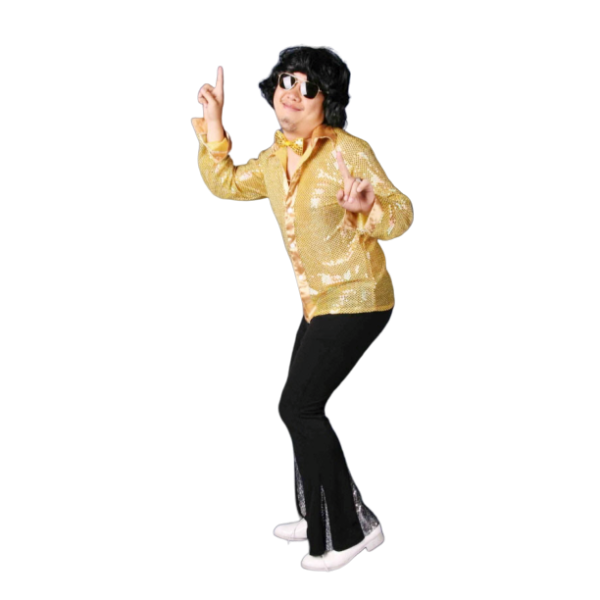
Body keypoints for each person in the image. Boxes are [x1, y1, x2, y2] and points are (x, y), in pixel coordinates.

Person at [191, 45, 414, 573]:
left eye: (308, 86)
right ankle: (322, 515)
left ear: (325, 101)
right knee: (300, 410)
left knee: (297, 408)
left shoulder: (347, 151)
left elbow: (401, 212)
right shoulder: (273, 160)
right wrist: (215, 127)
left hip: (360, 297)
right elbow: (226, 184)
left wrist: (369, 208)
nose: (293, 92)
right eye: (287, 80)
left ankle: (348, 532)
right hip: (318, 301)